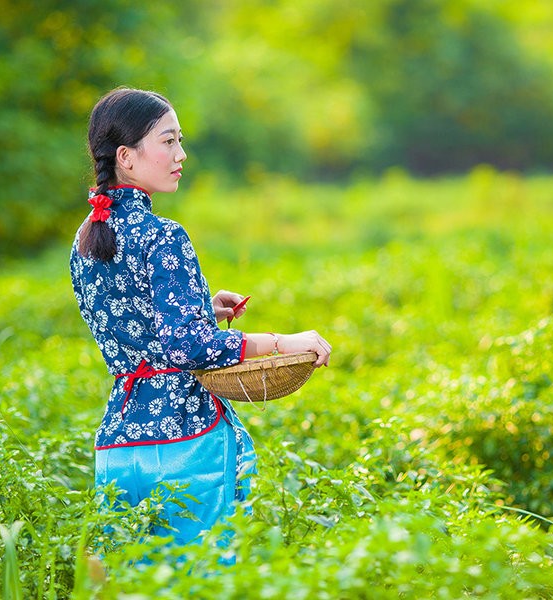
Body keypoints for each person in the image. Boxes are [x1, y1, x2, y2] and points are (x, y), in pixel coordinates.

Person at [69, 88, 331, 553]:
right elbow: (188, 347)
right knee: (204, 575)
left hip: (117, 447)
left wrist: (200, 308)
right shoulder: (164, 235)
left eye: (180, 141)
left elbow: (133, 324)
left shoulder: (86, 238)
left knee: (130, 578)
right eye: (168, 141)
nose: (180, 155)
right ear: (126, 157)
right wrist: (284, 341)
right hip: (186, 442)